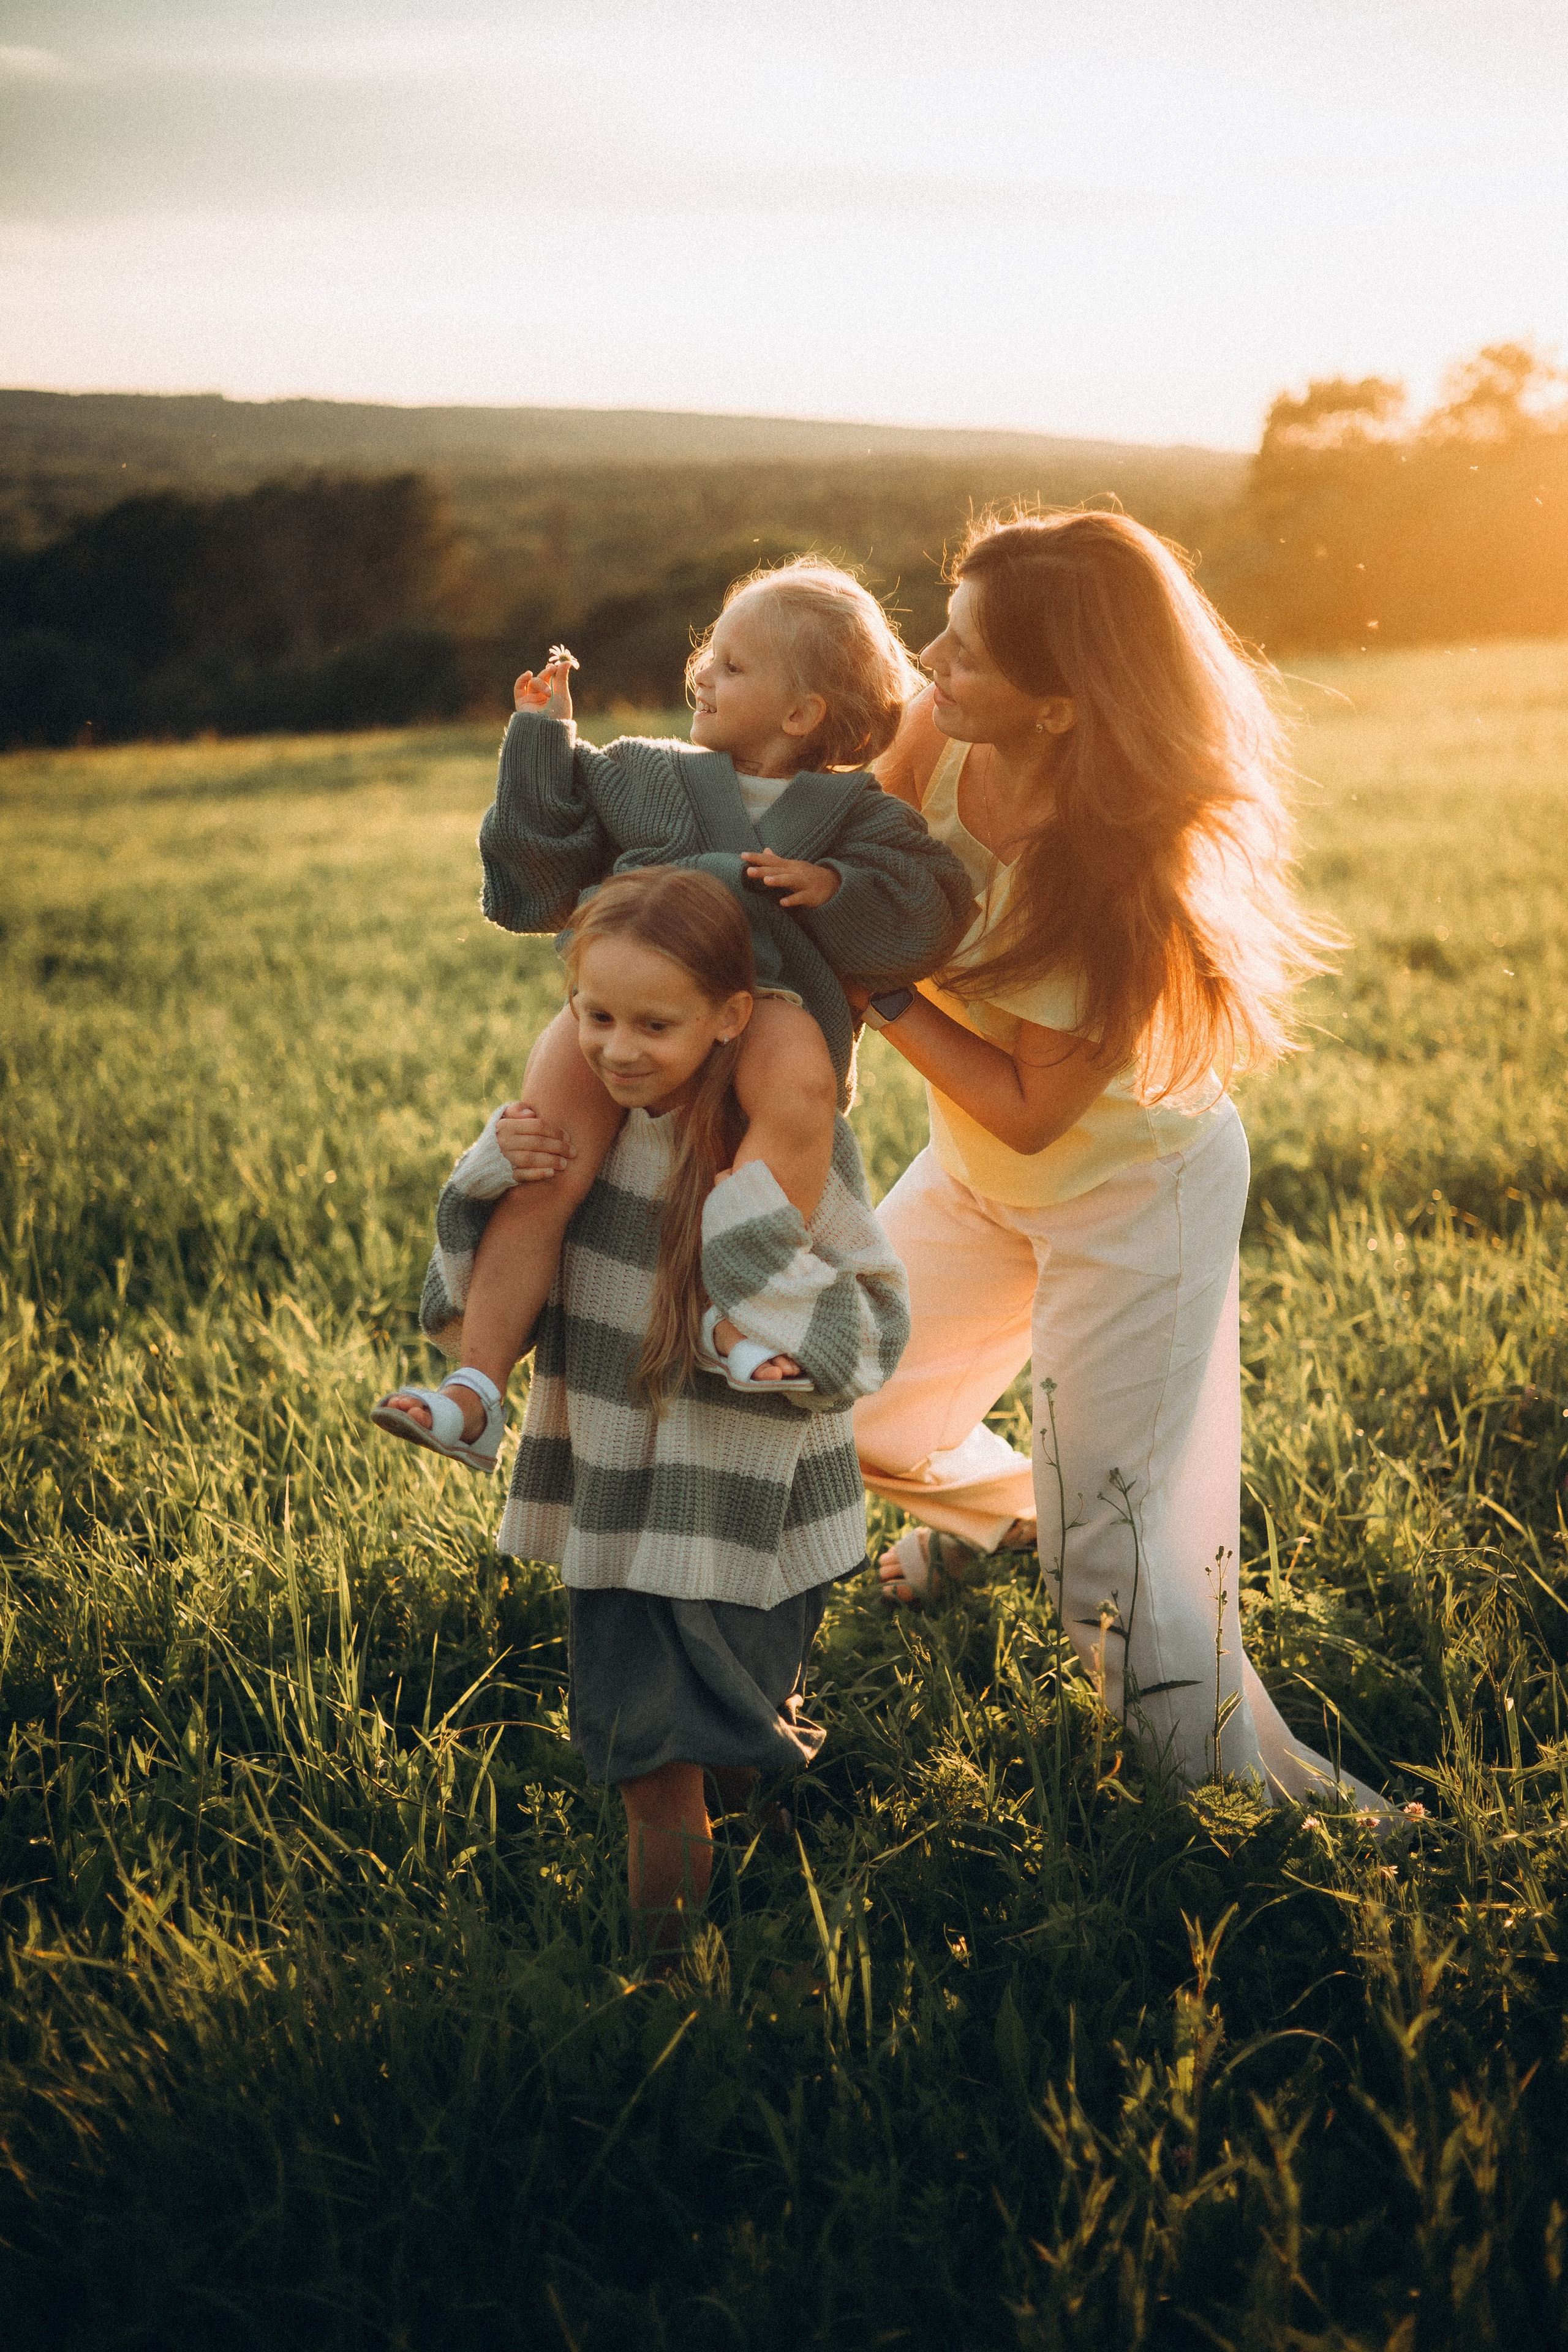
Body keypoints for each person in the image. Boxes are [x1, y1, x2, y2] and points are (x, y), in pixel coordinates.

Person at [851, 509, 1384, 1807]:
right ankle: (1011, 1518)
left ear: (1061, 706)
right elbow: (854, 849)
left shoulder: (1115, 877)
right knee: (849, 1410)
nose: (927, 661)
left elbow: (1034, 1108)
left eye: (967, 653)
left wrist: (872, 988)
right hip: (978, 1174)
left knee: (1115, 1569)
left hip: (1127, 1196)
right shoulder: (941, 730)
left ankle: (1269, 1815)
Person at [405, 868, 910, 1954]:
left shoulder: (783, 1151)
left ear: (733, 1018)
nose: (619, 1050)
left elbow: (869, 1325)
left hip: (746, 1503)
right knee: (653, 1763)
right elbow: (480, 1293)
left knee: (734, 1728)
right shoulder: (582, 1153)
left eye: (655, 1023)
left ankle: (762, 1850)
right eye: (595, 1017)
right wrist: (490, 1172)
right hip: (621, 1501)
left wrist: (763, 1325)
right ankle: (665, 1967)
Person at [374, 557, 970, 1466]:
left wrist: (834, 886)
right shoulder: (647, 773)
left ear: (803, 713)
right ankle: (477, 1388)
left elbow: (929, 912)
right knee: (548, 1161)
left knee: (798, 1083)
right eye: (708, 656)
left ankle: (745, 1310)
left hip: (761, 1010)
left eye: (732, 666)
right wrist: (542, 738)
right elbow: (535, 879)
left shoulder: (857, 815)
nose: (703, 675)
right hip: (624, 1003)